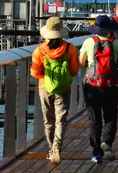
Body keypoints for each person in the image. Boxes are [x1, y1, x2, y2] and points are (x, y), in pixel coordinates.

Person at [80, 15, 118, 163]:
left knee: (93, 119)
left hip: (92, 86)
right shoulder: (116, 43)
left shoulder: (88, 42)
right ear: (109, 29)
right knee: (110, 117)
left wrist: (91, 64)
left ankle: (96, 153)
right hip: (111, 85)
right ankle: (107, 142)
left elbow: (81, 63)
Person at [30, 16, 80, 164]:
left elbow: (34, 72)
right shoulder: (69, 48)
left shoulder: (40, 50)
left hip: (44, 87)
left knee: (49, 121)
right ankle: (57, 147)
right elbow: (74, 70)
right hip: (64, 88)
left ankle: (50, 150)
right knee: (61, 120)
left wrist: (45, 78)